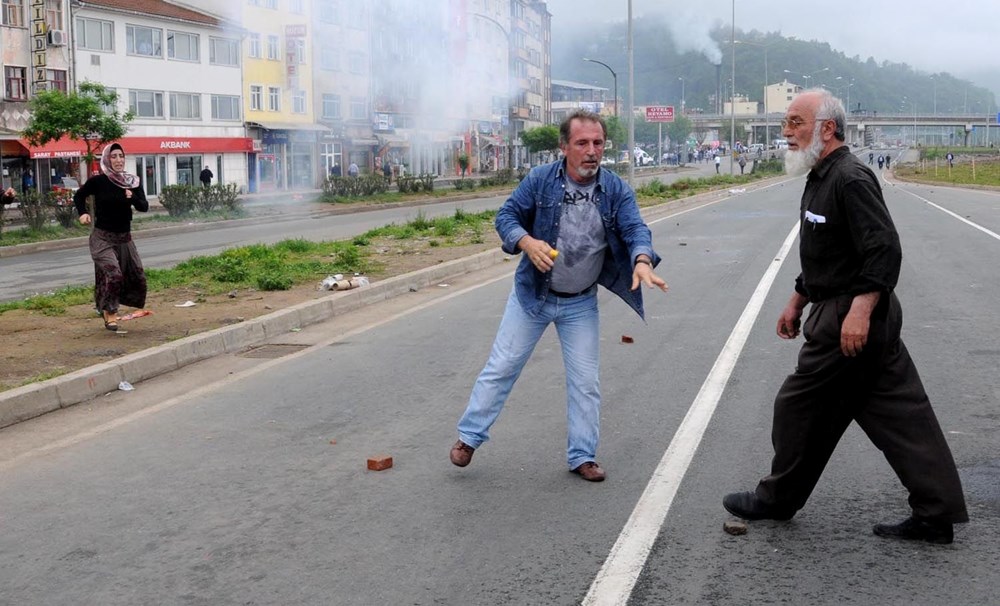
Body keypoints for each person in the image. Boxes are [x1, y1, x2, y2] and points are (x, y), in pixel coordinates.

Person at [723, 89, 968, 544]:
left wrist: (859, 308)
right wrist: (798, 299)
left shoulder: (850, 178)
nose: (786, 132)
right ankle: (937, 512)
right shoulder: (821, 175)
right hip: (845, 311)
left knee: (797, 408)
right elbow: (828, 252)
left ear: (827, 128)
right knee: (901, 413)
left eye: (795, 122)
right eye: (785, 124)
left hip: (849, 319)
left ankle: (776, 500)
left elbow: (883, 247)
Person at [448, 109, 668, 482]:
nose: (591, 151)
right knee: (502, 367)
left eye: (598, 143)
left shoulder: (614, 189)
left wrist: (642, 260)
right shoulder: (540, 180)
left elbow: (635, 228)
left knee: (585, 382)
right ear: (564, 147)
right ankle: (469, 437)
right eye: (582, 143)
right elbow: (506, 217)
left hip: (580, 301)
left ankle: (582, 455)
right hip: (533, 296)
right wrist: (526, 240)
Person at [73, 143, 149, 332]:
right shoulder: (99, 181)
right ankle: (111, 314)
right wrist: (82, 213)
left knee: (137, 275)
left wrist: (132, 197)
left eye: (121, 156)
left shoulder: (132, 181)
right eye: (114, 156)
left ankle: (107, 304)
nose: (118, 160)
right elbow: (79, 196)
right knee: (114, 274)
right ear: (107, 159)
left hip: (124, 239)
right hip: (102, 238)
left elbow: (144, 206)